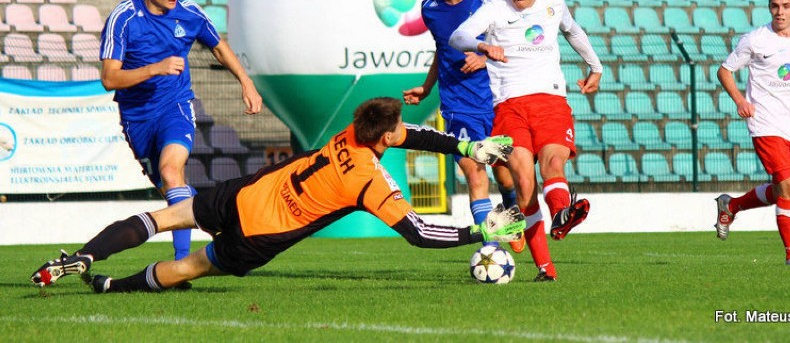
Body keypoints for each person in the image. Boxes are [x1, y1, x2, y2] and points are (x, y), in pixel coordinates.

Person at [30, 97, 524, 293]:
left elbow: (411, 132)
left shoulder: (348, 133)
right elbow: (416, 233)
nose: (403, 131)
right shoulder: (370, 182)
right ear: (383, 137)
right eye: (394, 130)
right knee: (187, 269)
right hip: (264, 234)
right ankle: (113, 288)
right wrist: (480, 229)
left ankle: (85, 255)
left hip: (246, 194)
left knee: (162, 217)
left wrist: (464, 146)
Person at [99, 0, 263, 262]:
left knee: (172, 173)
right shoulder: (124, 18)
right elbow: (109, 78)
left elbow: (219, 46)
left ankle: (180, 264)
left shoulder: (189, 13)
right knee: (171, 192)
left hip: (176, 106)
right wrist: (154, 68)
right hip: (137, 118)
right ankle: (220, 230)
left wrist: (247, 82)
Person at [449, 0, 602, 281]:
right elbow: (457, 37)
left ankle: (561, 215)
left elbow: (572, 30)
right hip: (509, 106)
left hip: (551, 101)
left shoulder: (552, 1)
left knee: (552, 164)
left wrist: (596, 66)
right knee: (522, 179)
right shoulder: (495, 8)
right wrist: (483, 47)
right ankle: (546, 267)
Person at [402, 0, 522, 253]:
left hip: (494, 98)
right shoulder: (430, 8)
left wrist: (485, 59)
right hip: (458, 106)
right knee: (474, 171)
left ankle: (511, 215)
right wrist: (427, 87)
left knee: (505, 177)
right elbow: (442, 50)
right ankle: (491, 247)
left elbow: (511, 39)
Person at [714, 0, 790, 266]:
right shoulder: (755, 39)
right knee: (789, 186)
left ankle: (732, 205)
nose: (780, 12)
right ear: (769, 8)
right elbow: (725, 71)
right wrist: (741, 101)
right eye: (775, 6)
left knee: (781, 190)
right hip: (764, 123)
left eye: (786, 6)